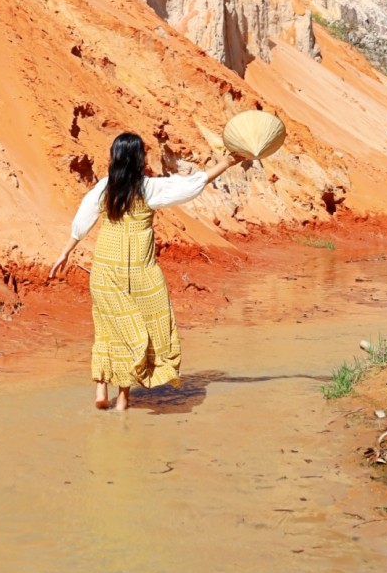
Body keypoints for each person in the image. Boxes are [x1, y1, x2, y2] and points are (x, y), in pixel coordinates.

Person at [48, 131, 245, 411]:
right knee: (140, 328)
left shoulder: (105, 187)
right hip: (140, 271)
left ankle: (101, 385)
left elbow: (83, 220)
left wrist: (64, 253)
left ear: (114, 158)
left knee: (108, 328)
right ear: (139, 159)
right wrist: (225, 163)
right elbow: (190, 186)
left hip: (105, 268)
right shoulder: (148, 188)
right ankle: (123, 401)